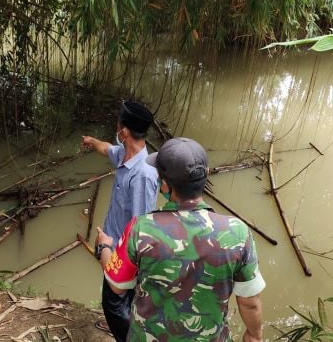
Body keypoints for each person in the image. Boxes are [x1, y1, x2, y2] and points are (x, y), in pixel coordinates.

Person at [95, 137, 265, 341]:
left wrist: (104, 247)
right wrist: (254, 336)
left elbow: (117, 285)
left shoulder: (140, 229)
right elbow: (250, 302)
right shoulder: (238, 233)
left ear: (164, 185)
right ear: (206, 174)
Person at [82, 101, 158, 341]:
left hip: (124, 255)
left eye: (118, 123)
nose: (116, 126)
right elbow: (106, 149)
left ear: (124, 132)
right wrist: (92, 141)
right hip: (111, 246)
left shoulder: (142, 174)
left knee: (114, 305)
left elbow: (141, 226)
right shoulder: (125, 155)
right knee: (120, 304)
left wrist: (113, 251)